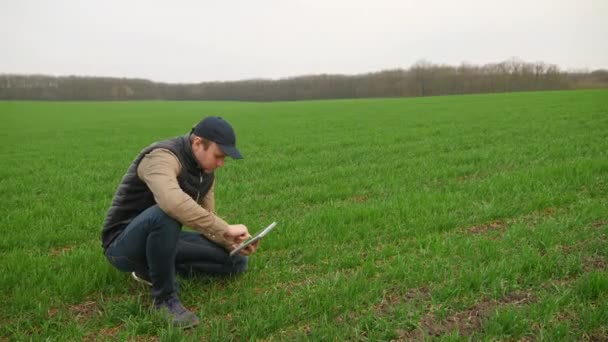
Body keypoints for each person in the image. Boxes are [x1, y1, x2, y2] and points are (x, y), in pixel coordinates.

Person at [101, 116, 258, 328]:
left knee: (236, 261)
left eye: (225, 159)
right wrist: (226, 229)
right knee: (165, 213)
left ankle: (155, 267)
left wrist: (232, 242)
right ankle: (164, 300)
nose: (221, 163)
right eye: (218, 156)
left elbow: (206, 217)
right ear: (197, 143)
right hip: (122, 245)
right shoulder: (161, 157)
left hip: (162, 238)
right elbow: (172, 203)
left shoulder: (205, 171)